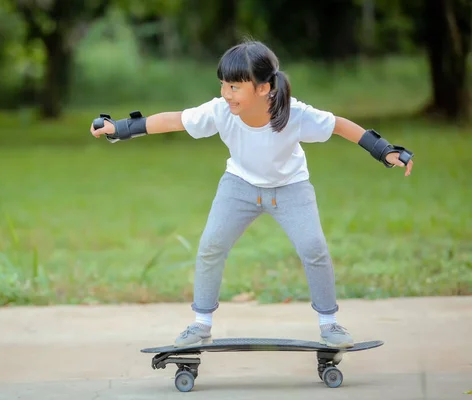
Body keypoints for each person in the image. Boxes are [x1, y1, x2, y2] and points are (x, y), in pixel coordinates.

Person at [89, 39, 414, 349]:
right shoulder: (220, 111)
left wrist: (383, 150)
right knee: (211, 246)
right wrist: (120, 128)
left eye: (234, 86)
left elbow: (340, 125)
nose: (225, 94)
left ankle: (330, 324)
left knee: (313, 247)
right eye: (223, 85)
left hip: (291, 187)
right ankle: (201, 324)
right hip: (239, 186)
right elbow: (174, 120)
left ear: (263, 88)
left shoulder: (295, 114)